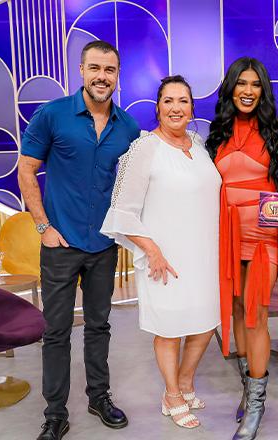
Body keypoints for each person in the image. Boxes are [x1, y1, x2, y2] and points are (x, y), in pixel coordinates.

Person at [18, 40, 140, 440]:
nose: (102, 76)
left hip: (104, 245)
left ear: (117, 76)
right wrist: (42, 226)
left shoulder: (129, 128)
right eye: (95, 68)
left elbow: (131, 188)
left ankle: (98, 396)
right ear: (82, 71)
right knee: (55, 330)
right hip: (61, 243)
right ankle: (55, 414)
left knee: (99, 325)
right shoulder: (52, 115)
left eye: (110, 70)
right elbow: (27, 169)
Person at [101, 75, 221, 429]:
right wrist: (151, 250)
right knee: (169, 329)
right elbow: (122, 209)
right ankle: (171, 393)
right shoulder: (145, 148)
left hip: (203, 255)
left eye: (183, 101)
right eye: (168, 101)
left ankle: (185, 382)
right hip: (163, 258)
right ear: (158, 107)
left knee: (202, 325)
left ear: (191, 108)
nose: (176, 108)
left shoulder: (198, 144)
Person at [205, 57, 278, 440]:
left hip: (264, 237)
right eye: (242, 83)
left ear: (263, 90)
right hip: (227, 235)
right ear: (231, 88)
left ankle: (256, 404)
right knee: (238, 309)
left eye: (256, 84)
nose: (248, 90)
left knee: (255, 313)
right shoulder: (216, 132)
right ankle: (247, 386)